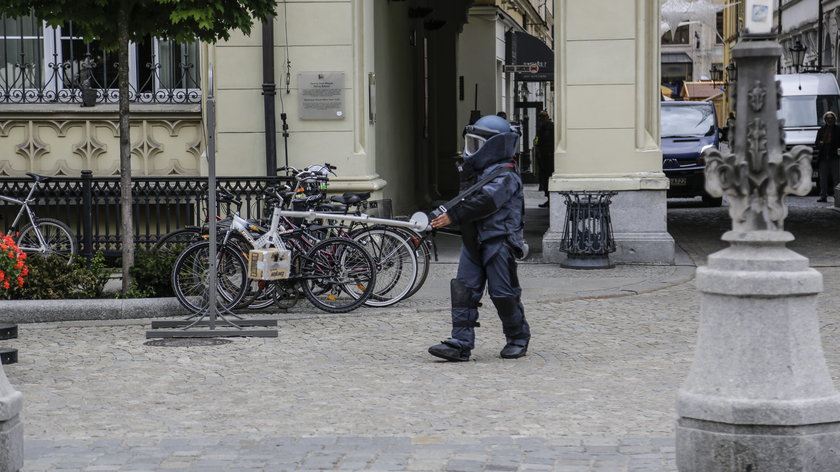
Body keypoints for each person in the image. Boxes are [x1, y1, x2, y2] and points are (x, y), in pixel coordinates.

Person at [428, 115, 531, 362]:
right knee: (464, 290)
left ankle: (517, 337)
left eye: (477, 144)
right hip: (473, 240)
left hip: (499, 241)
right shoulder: (477, 173)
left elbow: (486, 201)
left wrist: (453, 215)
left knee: (503, 294)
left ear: (494, 146)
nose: (471, 150)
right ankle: (461, 343)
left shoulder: (507, 176)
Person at [814, 110, 840, 202]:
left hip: (835, 157)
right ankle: (823, 196)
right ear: (825, 119)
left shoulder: (838, 130)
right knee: (823, 178)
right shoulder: (821, 130)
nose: (830, 120)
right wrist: (820, 143)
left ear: (834, 119)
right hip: (823, 157)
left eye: (831, 118)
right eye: (828, 118)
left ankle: (837, 196)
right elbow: (816, 143)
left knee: (836, 177)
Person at [534, 110, 554, 208]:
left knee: (548, 177)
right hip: (543, 156)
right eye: (540, 117)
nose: (541, 119)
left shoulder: (550, 127)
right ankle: (548, 198)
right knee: (544, 177)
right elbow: (538, 140)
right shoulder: (542, 127)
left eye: (543, 117)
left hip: (549, 157)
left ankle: (550, 199)